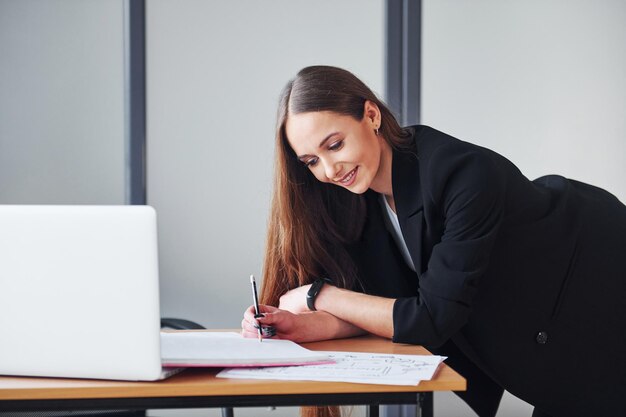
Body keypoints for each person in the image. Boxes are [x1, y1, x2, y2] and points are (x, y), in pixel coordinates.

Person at [240, 65, 626, 417]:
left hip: (600, 289)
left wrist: (317, 295)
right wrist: (299, 324)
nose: (328, 170)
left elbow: (429, 317)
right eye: (310, 161)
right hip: (549, 342)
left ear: (371, 116)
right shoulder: (357, 201)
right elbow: (385, 310)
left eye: (335, 145)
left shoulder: (464, 174)